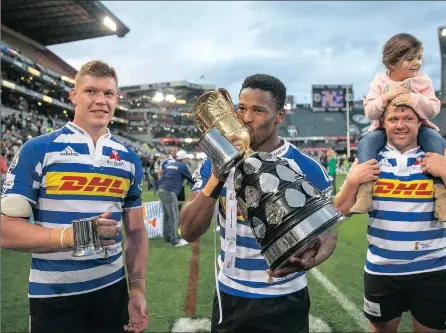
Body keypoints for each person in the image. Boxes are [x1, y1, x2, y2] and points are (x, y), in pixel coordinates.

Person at [180, 74, 338, 333]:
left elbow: (329, 233)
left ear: (279, 116)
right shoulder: (213, 163)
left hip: (286, 298)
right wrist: (218, 175)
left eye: (258, 110)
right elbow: (188, 230)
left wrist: (316, 256)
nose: (246, 118)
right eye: (241, 108)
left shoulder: (307, 168)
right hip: (230, 295)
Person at [0, 60, 149, 333]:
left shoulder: (129, 158)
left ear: (117, 99)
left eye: (108, 93)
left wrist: (137, 288)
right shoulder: (38, 149)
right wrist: (71, 236)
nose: (100, 101)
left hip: (112, 292)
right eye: (91, 91)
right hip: (54, 297)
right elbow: (6, 231)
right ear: (73, 95)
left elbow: (137, 231)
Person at [334, 102, 446, 333]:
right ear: (383, 123)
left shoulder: (439, 156)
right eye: (394, 119)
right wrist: (353, 181)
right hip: (382, 271)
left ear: (420, 122)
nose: (400, 125)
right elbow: (337, 212)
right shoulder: (368, 158)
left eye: (408, 118)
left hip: (431, 271)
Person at [351, 33, 446, 222]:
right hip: (382, 130)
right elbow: (369, 112)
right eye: (410, 59)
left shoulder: (422, 81)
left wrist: (413, 98)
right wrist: (384, 98)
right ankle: (365, 191)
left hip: (420, 128)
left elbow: (433, 108)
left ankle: (443, 198)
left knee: (436, 141)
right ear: (391, 63)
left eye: (418, 58)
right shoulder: (380, 82)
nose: (416, 63)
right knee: (366, 143)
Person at [157, 150, 193, 247]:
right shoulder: (182, 166)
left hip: (161, 189)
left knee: (167, 216)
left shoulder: (169, 164)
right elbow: (191, 179)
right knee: (174, 216)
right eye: (186, 159)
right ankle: (175, 240)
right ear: (184, 159)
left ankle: (167, 237)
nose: (187, 160)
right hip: (169, 191)